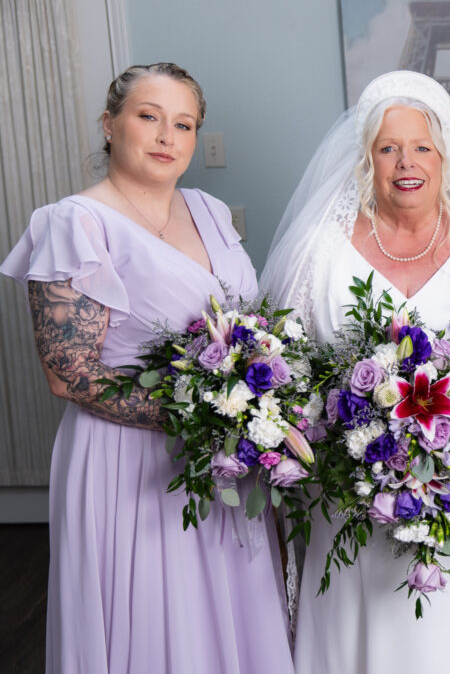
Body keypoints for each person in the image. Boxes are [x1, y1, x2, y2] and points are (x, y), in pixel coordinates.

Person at [0, 63, 294, 674]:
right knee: (154, 625)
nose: (167, 136)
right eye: (148, 116)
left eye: (183, 124)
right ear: (110, 125)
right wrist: (212, 413)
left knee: (227, 616)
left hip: (224, 458)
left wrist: (245, 417)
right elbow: (68, 372)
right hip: (125, 463)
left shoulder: (210, 211)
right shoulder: (75, 221)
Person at [260, 70, 450, 674]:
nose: (405, 163)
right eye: (387, 148)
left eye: (421, 146)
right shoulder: (318, 249)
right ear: (365, 159)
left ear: (446, 156)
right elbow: (284, 370)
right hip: (354, 503)